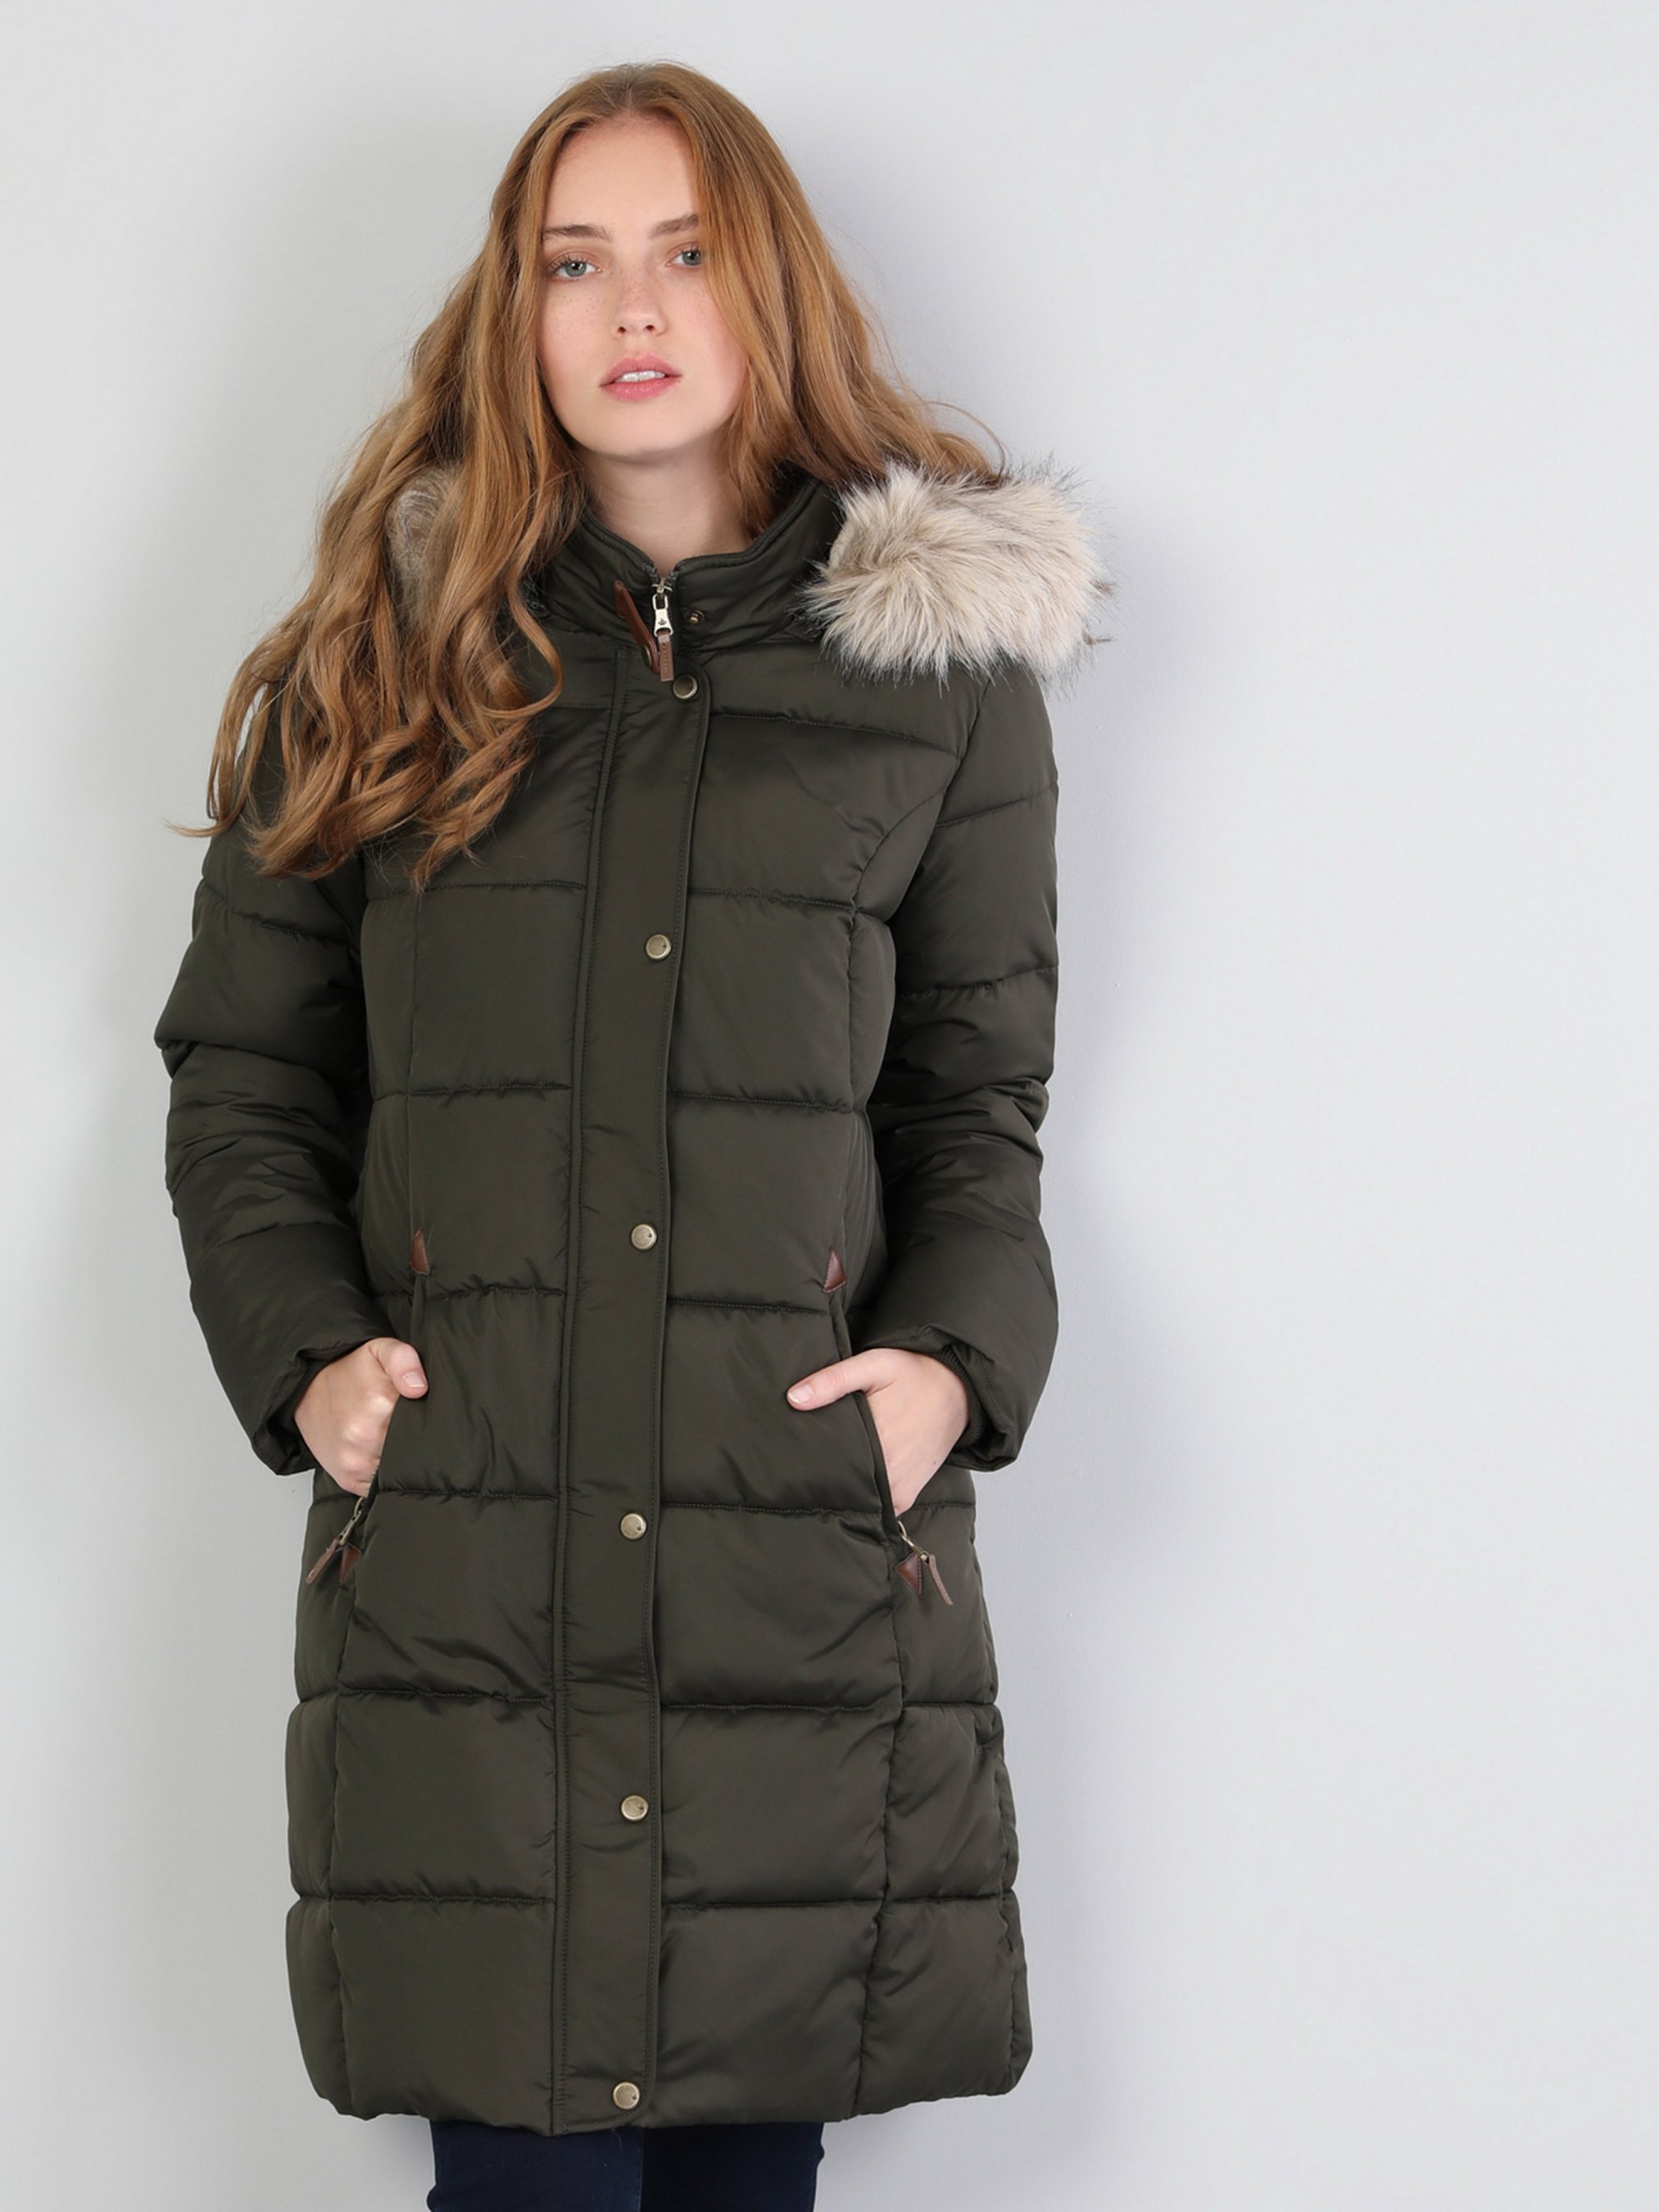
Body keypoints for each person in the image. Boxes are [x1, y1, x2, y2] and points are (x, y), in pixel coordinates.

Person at [153, 57, 1107, 2212]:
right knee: (519, 2176)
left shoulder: (934, 680)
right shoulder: (388, 658)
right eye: (572, 262)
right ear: (516, 309)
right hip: (475, 1559)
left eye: (684, 251)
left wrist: (947, 1372)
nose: (632, 307)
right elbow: (246, 1072)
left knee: (748, 2176)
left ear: (771, 285)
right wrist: (306, 1360)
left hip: (789, 1561)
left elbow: (975, 1097)